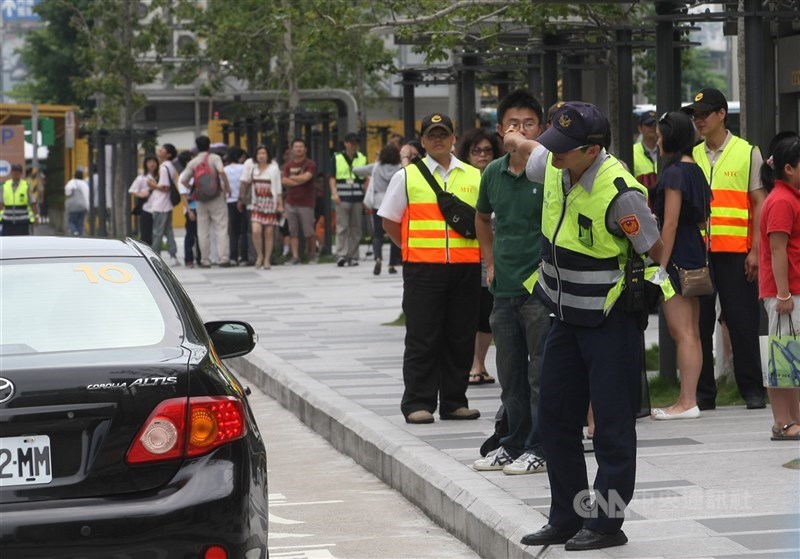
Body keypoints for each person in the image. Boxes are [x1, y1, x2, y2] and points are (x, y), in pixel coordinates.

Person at [505, 102, 672, 551]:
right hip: (564, 317)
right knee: (556, 419)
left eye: (563, 149)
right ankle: (568, 516)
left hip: (609, 323)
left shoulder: (621, 192)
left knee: (613, 428)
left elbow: (655, 251)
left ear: (592, 149)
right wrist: (516, 138)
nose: (553, 155)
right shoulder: (559, 166)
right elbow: (527, 149)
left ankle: (606, 523)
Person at [379, 113, 482, 424]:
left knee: (461, 337)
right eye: (431, 135)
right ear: (422, 141)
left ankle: (454, 401)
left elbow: (486, 222)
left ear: (454, 138)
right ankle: (418, 403)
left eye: (444, 134)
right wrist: (412, 249)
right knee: (423, 338)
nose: (438, 140)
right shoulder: (407, 177)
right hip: (423, 270)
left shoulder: (474, 176)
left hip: (465, 269)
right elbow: (389, 221)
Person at [471, 89, 551, 477]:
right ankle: (513, 444)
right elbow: (482, 218)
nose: (519, 131)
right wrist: (488, 261)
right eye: (512, 124)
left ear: (542, 129)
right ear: (500, 130)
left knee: (540, 373)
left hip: (540, 287)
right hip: (503, 288)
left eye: (528, 123)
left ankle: (541, 446)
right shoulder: (492, 172)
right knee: (510, 374)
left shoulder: (551, 170)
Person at [682, 88, 768, 410]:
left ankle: (753, 390)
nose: (698, 120)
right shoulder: (692, 155)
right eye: (695, 115)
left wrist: (756, 251)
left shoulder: (748, 153)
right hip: (699, 254)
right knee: (700, 323)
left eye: (704, 114)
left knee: (742, 320)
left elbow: (759, 204)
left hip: (736, 253)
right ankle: (705, 394)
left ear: (722, 115)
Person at [650, 111, 713, 420]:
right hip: (694, 254)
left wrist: (660, 266)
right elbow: (702, 218)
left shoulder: (674, 173)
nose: (657, 139)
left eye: (660, 135)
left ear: (671, 137)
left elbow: (670, 224)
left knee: (682, 333)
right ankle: (690, 399)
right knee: (693, 332)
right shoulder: (696, 170)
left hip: (674, 258)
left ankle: (687, 401)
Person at [758, 133, 800, 440]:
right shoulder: (782, 201)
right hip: (785, 293)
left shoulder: (788, 197)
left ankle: (792, 419)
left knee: (791, 357)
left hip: (791, 290)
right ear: (789, 168)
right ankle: (782, 422)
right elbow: (777, 250)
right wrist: (784, 294)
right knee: (782, 357)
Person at [454, 128, 502, 387]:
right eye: (477, 151)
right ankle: (472, 364)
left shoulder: (500, 177)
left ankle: (479, 363)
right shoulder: (464, 180)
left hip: (494, 257)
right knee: (468, 313)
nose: (482, 155)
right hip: (467, 255)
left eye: (487, 150)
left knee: (487, 313)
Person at [180, 135, 232, 268]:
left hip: (201, 200)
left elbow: (183, 180)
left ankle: (205, 260)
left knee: (202, 230)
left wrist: (194, 189)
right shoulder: (215, 158)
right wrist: (226, 187)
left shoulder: (193, 162)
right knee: (221, 227)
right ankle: (223, 258)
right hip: (216, 197)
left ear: (197, 147)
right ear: (209, 146)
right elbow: (221, 171)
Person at [354, 143, 402, 275]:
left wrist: (376, 162)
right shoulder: (400, 168)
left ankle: (378, 257)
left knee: (378, 234)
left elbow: (356, 170)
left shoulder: (376, 167)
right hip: (394, 203)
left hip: (378, 203)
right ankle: (392, 264)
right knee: (394, 233)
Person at [239, 145, 283, 270]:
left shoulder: (273, 169)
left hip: (270, 203)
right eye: (259, 154)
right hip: (256, 203)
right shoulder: (253, 169)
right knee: (256, 231)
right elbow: (246, 183)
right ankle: (260, 255)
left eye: (264, 153)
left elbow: (278, 188)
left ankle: (267, 259)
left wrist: (280, 204)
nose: (261, 156)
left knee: (269, 233)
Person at [330, 132, 367, 266]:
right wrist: (335, 194)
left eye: (355, 143)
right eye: (351, 143)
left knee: (356, 227)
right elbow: (332, 177)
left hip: (358, 196)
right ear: (345, 143)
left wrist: (366, 197)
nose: (353, 146)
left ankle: (353, 256)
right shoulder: (337, 157)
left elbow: (366, 179)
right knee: (342, 226)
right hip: (342, 196)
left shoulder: (362, 158)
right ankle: (341, 254)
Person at [282, 138, 318, 264]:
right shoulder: (288, 165)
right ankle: (295, 256)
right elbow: (284, 180)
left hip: (306, 203)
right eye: (296, 146)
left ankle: (312, 254)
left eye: (301, 146)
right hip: (290, 202)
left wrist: (292, 179)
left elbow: (307, 178)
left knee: (309, 231)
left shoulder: (310, 164)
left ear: (305, 149)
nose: (298, 149)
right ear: (292, 149)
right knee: (293, 231)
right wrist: (298, 180)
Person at [148, 143, 180, 266]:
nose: (160, 151)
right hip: (167, 204)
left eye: (163, 150)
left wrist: (153, 185)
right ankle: (173, 256)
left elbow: (165, 187)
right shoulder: (171, 166)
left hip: (161, 204)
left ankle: (155, 257)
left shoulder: (164, 167)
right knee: (168, 231)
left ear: (168, 154)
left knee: (157, 232)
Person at [176, 150, 201, 267]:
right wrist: (189, 211)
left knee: (200, 235)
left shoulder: (196, 173)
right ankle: (188, 259)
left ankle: (200, 258)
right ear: (188, 162)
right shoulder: (183, 176)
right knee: (190, 235)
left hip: (200, 208)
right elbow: (183, 196)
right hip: (191, 209)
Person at [225, 147, 248, 266]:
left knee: (233, 231)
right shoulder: (243, 168)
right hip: (242, 201)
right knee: (244, 230)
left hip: (229, 201)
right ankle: (244, 257)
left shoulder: (225, 169)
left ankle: (233, 257)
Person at [128, 154, 159, 245]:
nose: (152, 164)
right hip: (146, 209)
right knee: (146, 235)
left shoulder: (160, 177)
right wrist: (141, 195)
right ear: (145, 164)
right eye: (149, 162)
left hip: (159, 208)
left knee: (157, 234)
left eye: (154, 162)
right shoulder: (141, 178)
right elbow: (132, 190)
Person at [1, 163, 36, 236]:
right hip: (7, 222)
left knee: (22, 244)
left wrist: (36, 216)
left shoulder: (26, 186)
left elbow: (33, 203)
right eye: (14, 171)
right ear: (11, 173)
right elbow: (1, 203)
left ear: (21, 173)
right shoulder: (5, 186)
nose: (15, 173)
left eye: (18, 171)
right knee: (6, 244)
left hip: (22, 222)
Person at [633, 110, 659, 197]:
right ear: (640, 128)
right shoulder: (633, 151)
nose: (653, 127)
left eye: (655, 125)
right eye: (648, 125)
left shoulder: (665, 150)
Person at [64, 169, 90, 236]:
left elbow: (67, 192)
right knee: (80, 223)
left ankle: (74, 231)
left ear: (74, 175)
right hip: (82, 206)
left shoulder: (71, 182)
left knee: (71, 221)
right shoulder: (85, 184)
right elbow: (86, 196)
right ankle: (80, 236)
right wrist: (87, 207)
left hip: (72, 206)